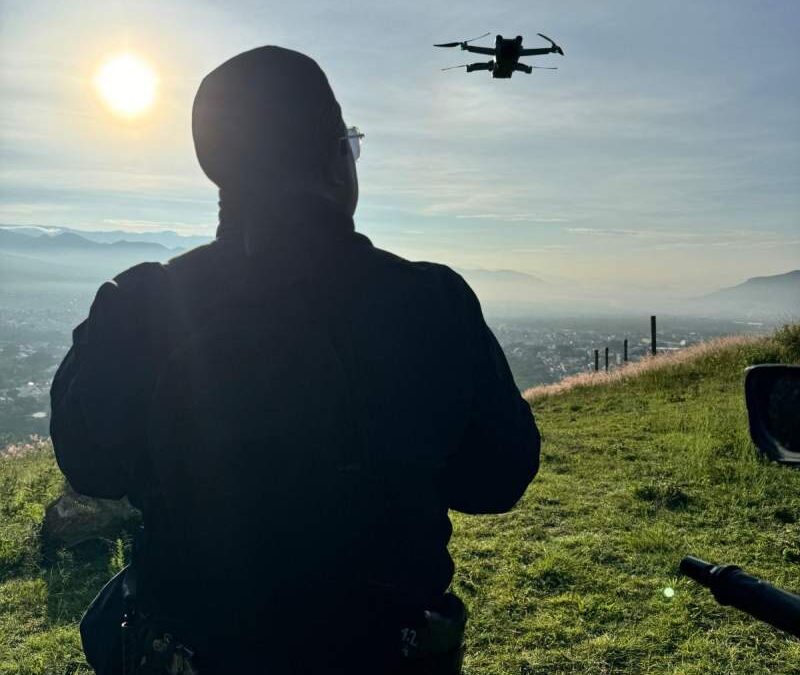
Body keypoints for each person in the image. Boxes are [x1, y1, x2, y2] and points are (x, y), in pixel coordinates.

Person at [50, 46, 540, 674]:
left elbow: (90, 465)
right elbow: (498, 479)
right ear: (337, 159)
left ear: (218, 171)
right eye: (352, 144)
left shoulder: (140, 303)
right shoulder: (431, 302)